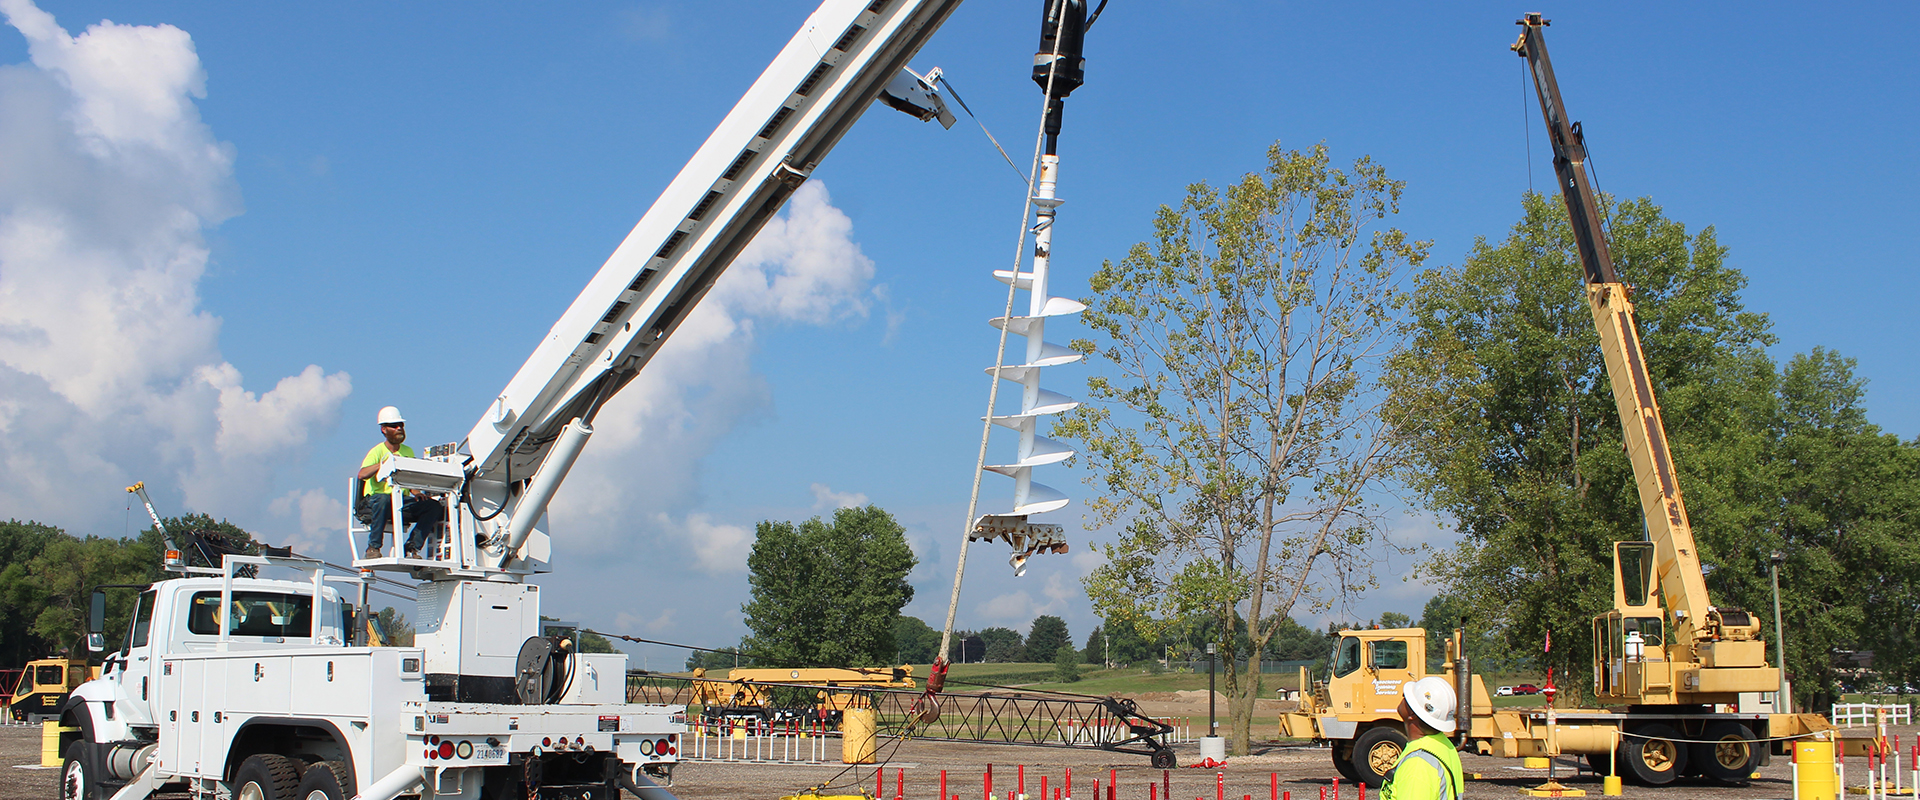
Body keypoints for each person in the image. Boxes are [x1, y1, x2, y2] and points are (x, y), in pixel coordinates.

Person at [357, 406, 444, 559]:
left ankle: (412, 547)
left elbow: (410, 479)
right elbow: (362, 474)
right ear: (384, 429)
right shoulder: (377, 451)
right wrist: (382, 465)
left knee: (433, 506)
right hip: (377, 500)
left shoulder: (407, 451)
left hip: (401, 500)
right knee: (383, 499)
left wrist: (416, 493)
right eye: (394, 426)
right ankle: (373, 547)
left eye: (401, 425)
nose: (399, 428)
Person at [1382, 676, 1465, 800]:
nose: (1402, 698)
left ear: (1412, 714)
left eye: (1405, 696)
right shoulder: (1443, 745)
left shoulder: (1418, 765)